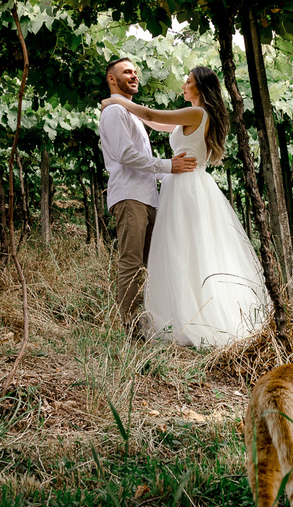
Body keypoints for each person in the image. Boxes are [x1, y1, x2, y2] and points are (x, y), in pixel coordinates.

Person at [101, 66, 271, 347]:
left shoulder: (197, 112)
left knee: (186, 250)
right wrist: (120, 104)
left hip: (186, 185)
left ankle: (190, 317)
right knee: (183, 251)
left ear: (200, 88)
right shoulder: (191, 118)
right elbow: (155, 124)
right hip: (180, 184)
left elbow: (153, 116)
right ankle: (180, 313)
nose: (183, 84)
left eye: (188, 81)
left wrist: (118, 100)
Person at [98, 57, 197, 334]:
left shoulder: (129, 113)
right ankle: (127, 326)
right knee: (131, 261)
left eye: (135, 72)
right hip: (130, 197)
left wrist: (175, 179)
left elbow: (144, 153)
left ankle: (143, 321)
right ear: (111, 79)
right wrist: (169, 166)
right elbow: (126, 155)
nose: (133, 76)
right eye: (126, 72)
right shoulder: (115, 112)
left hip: (147, 197)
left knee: (146, 264)